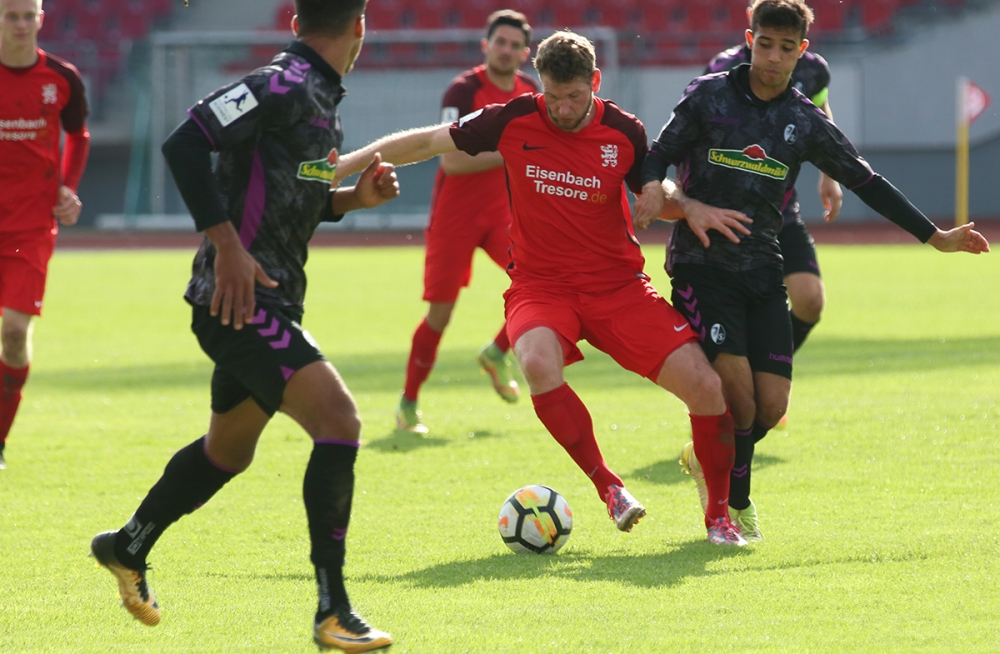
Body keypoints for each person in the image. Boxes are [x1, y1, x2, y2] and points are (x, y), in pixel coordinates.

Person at [335, 30, 752, 546]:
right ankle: (610, 488)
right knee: (534, 362)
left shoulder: (624, 131)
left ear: (595, 81)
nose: (562, 108)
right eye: (553, 96)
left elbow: (655, 188)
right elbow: (425, 142)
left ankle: (718, 519)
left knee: (707, 388)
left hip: (618, 288)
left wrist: (677, 202)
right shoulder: (512, 118)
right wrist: (343, 166)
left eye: (573, 96)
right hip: (541, 287)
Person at [90, 1, 397, 651]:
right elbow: (184, 141)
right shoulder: (281, 83)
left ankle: (127, 545)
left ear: (296, 21)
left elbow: (290, 195)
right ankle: (333, 611)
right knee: (339, 421)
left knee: (228, 451)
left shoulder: (321, 97)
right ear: (360, 27)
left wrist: (352, 199)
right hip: (238, 303)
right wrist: (226, 246)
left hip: (271, 302)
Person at [635, 0, 989, 542]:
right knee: (739, 399)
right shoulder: (709, 96)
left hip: (763, 267)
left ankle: (708, 460)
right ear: (749, 40)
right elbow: (657, 155)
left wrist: (934, 236)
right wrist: (660, 193)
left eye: (786, 48)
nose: (773, 58)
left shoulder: (803, 119)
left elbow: (866, 181)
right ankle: (731, 510)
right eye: (765, 44)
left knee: (771, 406)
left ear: (801, 51)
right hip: (701, 264)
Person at [395, 9, 539, 435]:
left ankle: (496, 352)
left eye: (515, 45)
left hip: (503, 214)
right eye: (500, 42)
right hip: (454, 218)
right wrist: (514, 149)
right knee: (440, 315)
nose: (506, 50)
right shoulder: (463, 89)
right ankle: (408, 404)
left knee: (541, 281)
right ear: (485, 45)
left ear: (525, 53)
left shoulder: (530, 92)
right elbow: (453, 161)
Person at [704, 0, 841, 356]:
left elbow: (821, 114)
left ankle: (768, 367)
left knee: (810, 300)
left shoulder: (813, 70)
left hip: (778, 209)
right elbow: (698, 129)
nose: (776, 56)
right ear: (752, 21)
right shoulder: (723, 67)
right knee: (735, 313)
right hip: (727, 210)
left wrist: (829, 174)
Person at [0, 0, 89, 471]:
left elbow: (79, 135)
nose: (20, 24)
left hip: (30, 228)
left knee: (14, 334)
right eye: (10, 15)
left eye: (27, 16)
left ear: (40, 18)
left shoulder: (61, 78)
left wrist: (69, 188)